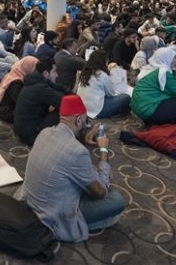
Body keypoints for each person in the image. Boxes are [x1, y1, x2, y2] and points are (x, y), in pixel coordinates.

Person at [15, 94, 125, 243]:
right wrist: (103, 151)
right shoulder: (77, 152)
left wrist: (84, 142)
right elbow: (101, 191)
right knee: (116, 200)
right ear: (78, 119)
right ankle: (78, 225)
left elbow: (65, 154)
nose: (86, 125)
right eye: (85, 121)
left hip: (31, 200)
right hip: (53, 214)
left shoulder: (45, 132)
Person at [131, 47, 176, 124]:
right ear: (167, 59)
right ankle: (161, 121)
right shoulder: (163, 73)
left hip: (142, 108)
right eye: (173, 58)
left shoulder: (155, 69)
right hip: (149, 110)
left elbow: (173, 85)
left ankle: (157, 119)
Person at [13, 58, 66, 145]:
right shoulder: (40, 88)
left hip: (22, 130)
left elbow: (57, 87)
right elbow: (64, 102)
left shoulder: (35, 80)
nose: (57, 75)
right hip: (31, 136)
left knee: (58, 107)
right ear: (46, 73)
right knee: (64, 110)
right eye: (54, 71)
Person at [77, 50, 130, 119]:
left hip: (83, 107)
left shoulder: (85, 72)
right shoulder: (102, 74)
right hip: (98, 111)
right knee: (126, 97)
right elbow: (111, 94)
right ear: (104, 62)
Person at [0, 56, 39, 123]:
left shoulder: (15, 74)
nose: (35, 71)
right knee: (34, 114)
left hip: (8, 107)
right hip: (7, 112)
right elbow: (20, 101)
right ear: (27, 67)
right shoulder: (16, 82)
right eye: (34, 67)